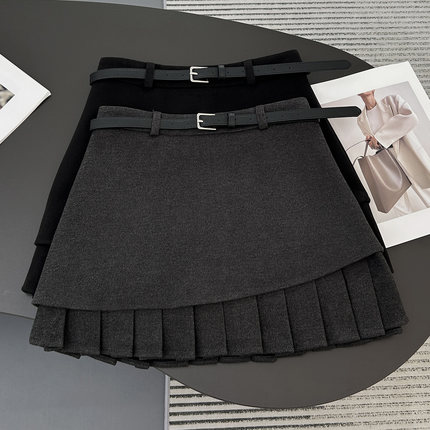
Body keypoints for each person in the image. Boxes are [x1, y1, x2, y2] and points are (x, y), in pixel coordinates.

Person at [356, 90, 430, 217]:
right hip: (386, 160)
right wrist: (372, 143)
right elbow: (375, 145)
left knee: (426, 189)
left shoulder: (392, 100)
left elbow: (411, 118)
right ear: (357, 93)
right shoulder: (361, 120)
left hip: (408, 152)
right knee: (398, 203)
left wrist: (379, 137)